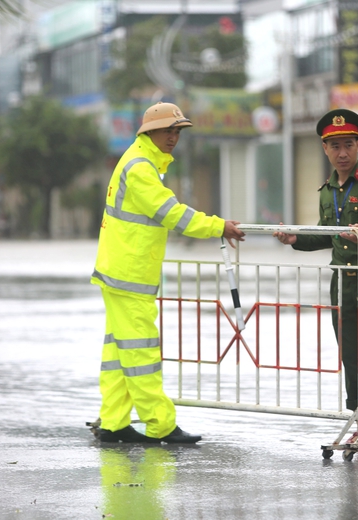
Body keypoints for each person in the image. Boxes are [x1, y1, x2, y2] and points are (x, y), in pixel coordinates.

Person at [91, 102, 245, 443]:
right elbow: (171, 213)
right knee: (141, 351)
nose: (173, 137)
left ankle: (113, 423)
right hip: (129, 274)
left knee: (120, 351)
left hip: (122, 271)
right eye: (167, 131)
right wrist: (218, 226)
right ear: (149, 132)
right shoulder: (140, 167)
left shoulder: (137, 160)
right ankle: (160, 424)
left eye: (177, 131)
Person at [273, 108, 358, 444]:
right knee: (351, 353)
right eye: (335, 146)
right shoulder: (327, 191)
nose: (343, 152)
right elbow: (326, 235)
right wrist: (294, 239)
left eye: (348, 144)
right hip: (343, 282)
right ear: (325, 149)